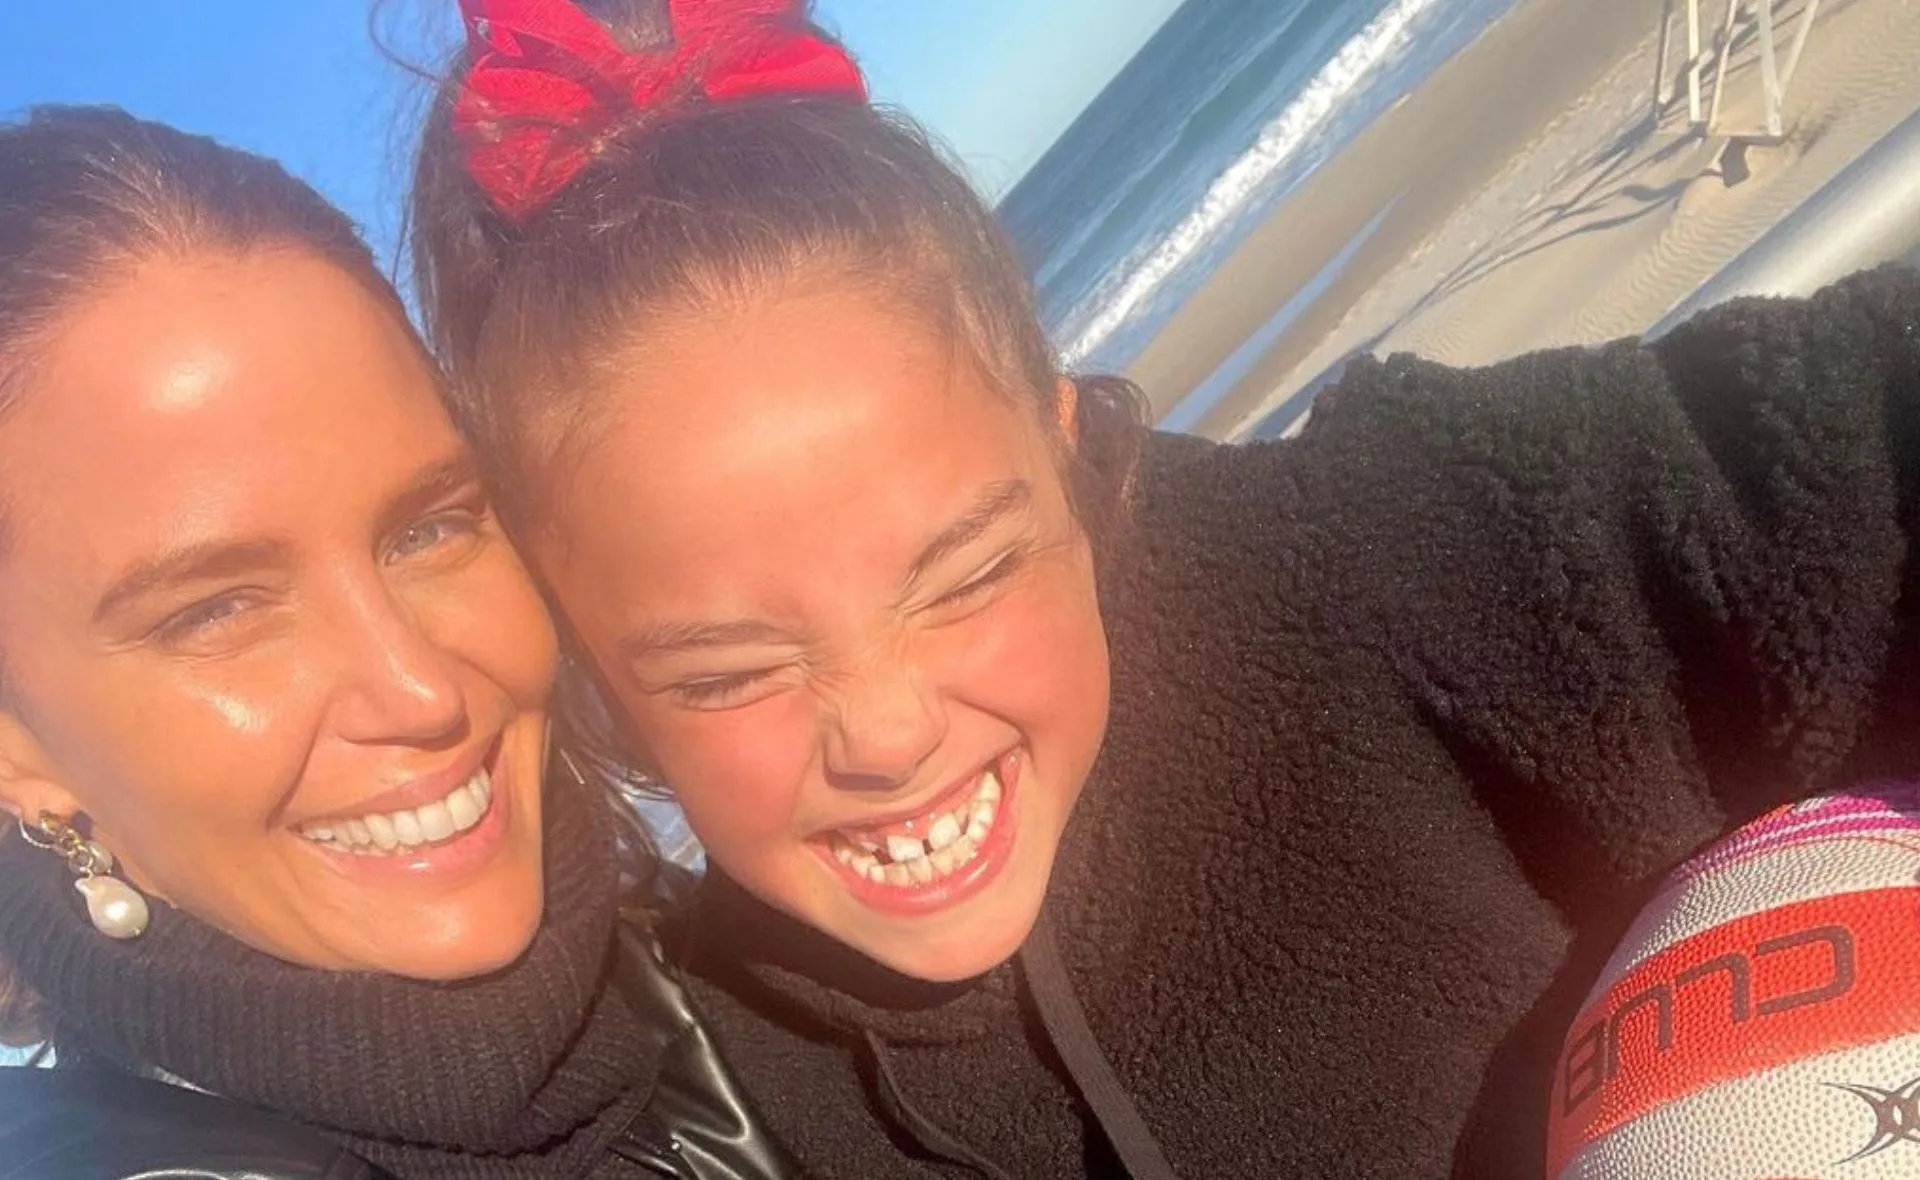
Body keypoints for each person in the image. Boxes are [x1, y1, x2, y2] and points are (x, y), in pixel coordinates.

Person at [408, 0, 1920, 1175]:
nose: (885, 733)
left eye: (968, 573)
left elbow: (1851, 439)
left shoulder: (1393, 550)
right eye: (728, 672)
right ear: (598, 684)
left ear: (1064, 448)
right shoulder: (716, 1097)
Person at [0, 105, 793, 1180]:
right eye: (216, 610)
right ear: (17, 749)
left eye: (429, 529)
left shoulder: (728, 968)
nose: (420, 690)